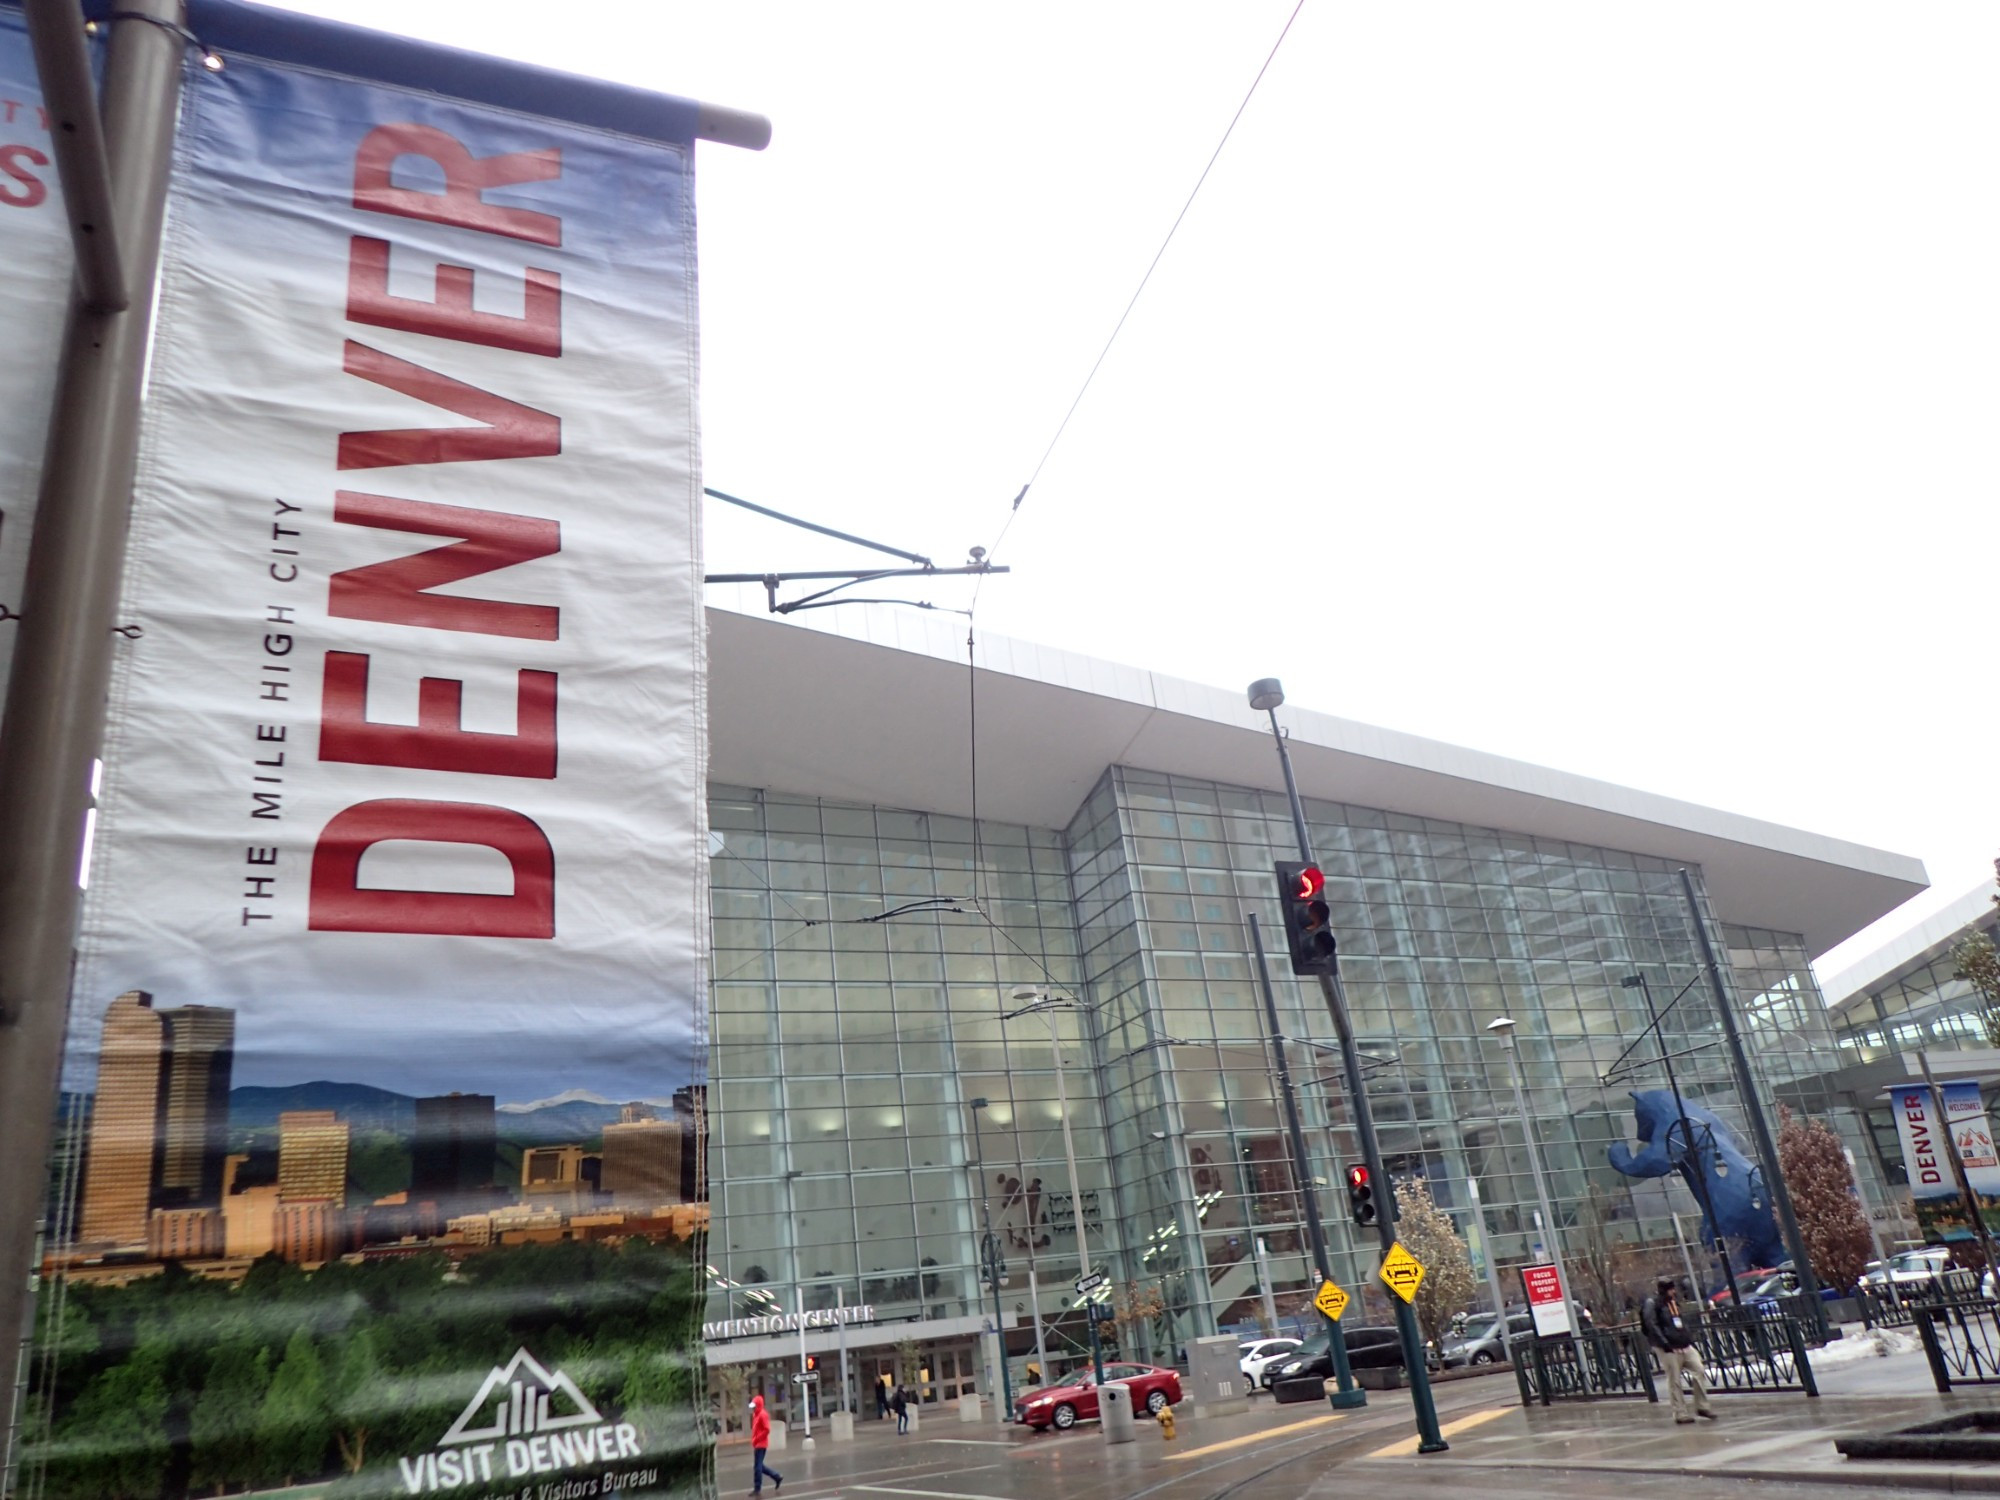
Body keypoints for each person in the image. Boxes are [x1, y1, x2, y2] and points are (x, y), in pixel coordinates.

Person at [1641, 1277, 1716, 1424]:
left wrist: (1687, 1337)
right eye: (1670, 1289)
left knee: (1699, 1369)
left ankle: (1702, 1406)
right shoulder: (1653, 1303)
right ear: (1664, 1289)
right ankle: (1680, 1413)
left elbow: (1679, 1321)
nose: (1673, 1291)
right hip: (1668, 1347)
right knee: (1674, 1380)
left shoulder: (1673, 1303)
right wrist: (1665, 1343)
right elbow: (1651, 1324)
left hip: (1682, 1343)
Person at [748, 1394, 783, 1495]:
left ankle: (757, 1488)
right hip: (757, 1443)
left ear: (758, 1405)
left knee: (758, 1467)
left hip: (761, 1444)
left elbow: (767, 1429)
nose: (753, 1409)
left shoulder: (763, 1415)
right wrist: (754, 1440)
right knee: (759, 1466)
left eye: (754, 1406)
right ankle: (777, 1477)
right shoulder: (756, 1414)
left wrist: (757, 1439)